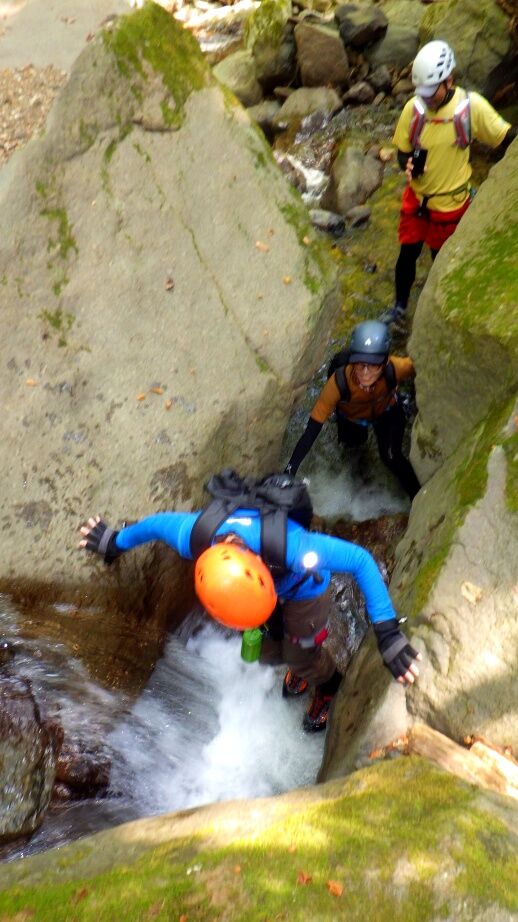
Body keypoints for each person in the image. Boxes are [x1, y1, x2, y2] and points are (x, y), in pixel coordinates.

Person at [79, 476, 421, 733]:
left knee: (301, 654)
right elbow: (153, 525)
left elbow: (360, 561)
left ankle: (328, 685)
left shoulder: (296, 549)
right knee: (267, 652)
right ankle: (296, 661)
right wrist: (113, 542)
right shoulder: (193, 535)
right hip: (257, 589)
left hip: (303, 590)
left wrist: (388, 633)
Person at [381, 40, 517, 329]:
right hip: (417, 199)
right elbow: (403, 151)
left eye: (432, 92)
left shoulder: (470, 108)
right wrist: (406, 163)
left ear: (449, 80)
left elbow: (506, 137)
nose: (427, 99)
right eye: (423, 93)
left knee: (440, 261)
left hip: (451, 205)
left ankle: (435, 316)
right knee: (406, 255)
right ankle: (400, 308)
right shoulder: (414, 109)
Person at [285, 320, 420, 499]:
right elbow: (312, 430)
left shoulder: (396, 368)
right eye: (360, 364)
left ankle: (419, 496)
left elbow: (426, 363)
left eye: (373, 365)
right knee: (354, 455)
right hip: (351, 419)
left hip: (386, 412)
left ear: (385, 361)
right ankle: (363, 490)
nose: (365, 372)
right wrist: (290, 469)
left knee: (392, 457)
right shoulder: (338, 383)